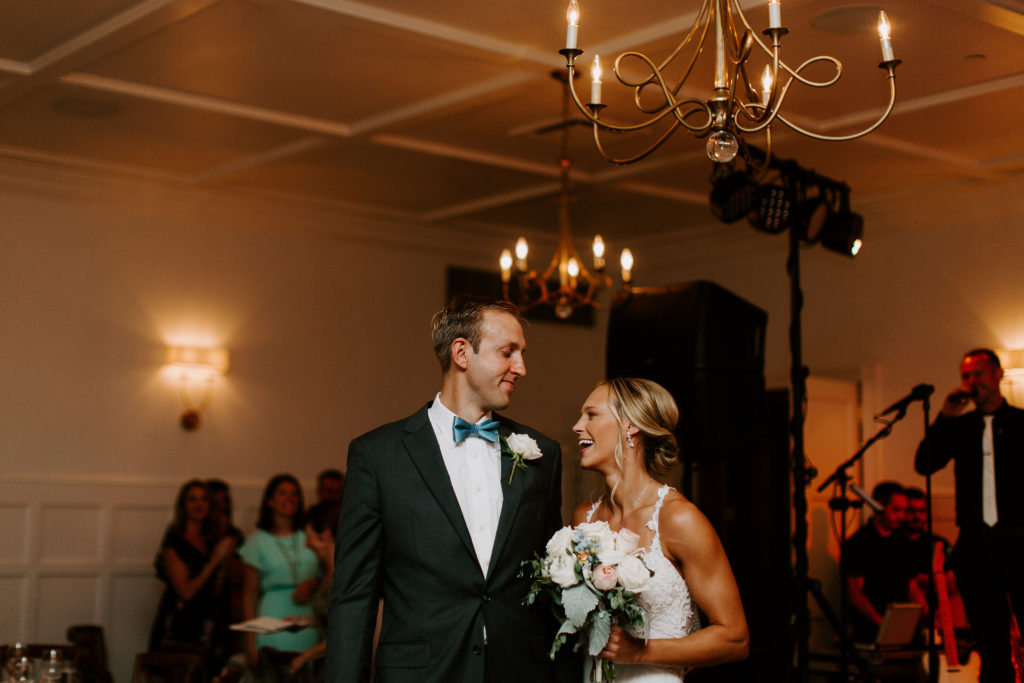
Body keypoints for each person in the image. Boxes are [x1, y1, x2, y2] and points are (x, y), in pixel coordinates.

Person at [326, 295, 572, 683]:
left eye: (521, 353)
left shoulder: (543, 455)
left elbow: (553, 586)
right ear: (462, 353)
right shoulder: (378, 456)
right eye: (508, 352)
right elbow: (354, 596)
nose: (521, 368)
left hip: (522, 672)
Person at [571, 377, 748, 681]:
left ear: (631, 426)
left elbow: (735, 639)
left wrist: (640, 651)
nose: (577, 426)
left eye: (591, 415)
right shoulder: (583, 519)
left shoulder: (678, 519)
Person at [915, 348, 1024, 682]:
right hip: (976, 545)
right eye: (966, 376)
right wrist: (944, 418)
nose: (972, 382)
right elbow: (924, 464)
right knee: (990, 643)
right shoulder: (960, 427)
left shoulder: (1021, 423)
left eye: (979, 373)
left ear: (998, 375)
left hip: (1019, 541)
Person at [149, 480, 239, 669]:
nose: (199, 505)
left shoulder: (212, 539)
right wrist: (214, 560)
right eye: (192, 500)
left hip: (210, 623)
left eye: (204, 499)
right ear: (183, 505)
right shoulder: (174, 542)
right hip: (181, 624)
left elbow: (220, 586)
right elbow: (186, 592)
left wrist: (225, 559)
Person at [238, 474, 321, 671]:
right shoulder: (257, 541)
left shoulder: (312, 535)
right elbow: (249, 595)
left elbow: (330, 574)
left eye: (294, 494)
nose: (289, 499)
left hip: (310, 617)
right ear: (270, 501)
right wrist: (250, 641)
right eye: (282, 493)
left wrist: (312, 584)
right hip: (272, 620)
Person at [841, 481, 916, 643]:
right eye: (896, 510)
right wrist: (881, 622)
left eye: (904, 511)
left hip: (903, 630)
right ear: (878, 505)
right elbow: (854, 594)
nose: (902, 516)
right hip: (870, 631)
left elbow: (911, 585)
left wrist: (928, 616)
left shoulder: (902, 540)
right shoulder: (858, 543)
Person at [286, 501, 341, 678]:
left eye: (309, 537)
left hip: (337, 667)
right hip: (323, 666)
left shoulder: (342, 579)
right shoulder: (326, 574)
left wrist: (304, 657)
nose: (307, 544)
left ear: (325, 534)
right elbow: (330, 619)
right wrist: (303, 621)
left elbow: (342, 634)